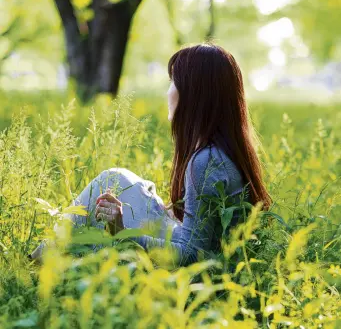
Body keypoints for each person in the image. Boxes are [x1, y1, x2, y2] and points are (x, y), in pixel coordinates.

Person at [29, 43, 271, 267]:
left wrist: (122, 232)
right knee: (118, 179)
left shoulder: (205, 162)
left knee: (107, 190)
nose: (168, 91)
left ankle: (39, 263)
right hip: (205, 255)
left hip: (197, 279)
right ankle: (49, 257)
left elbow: (192, 254)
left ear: (193, 93)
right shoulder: (220, 152)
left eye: (173, 81)